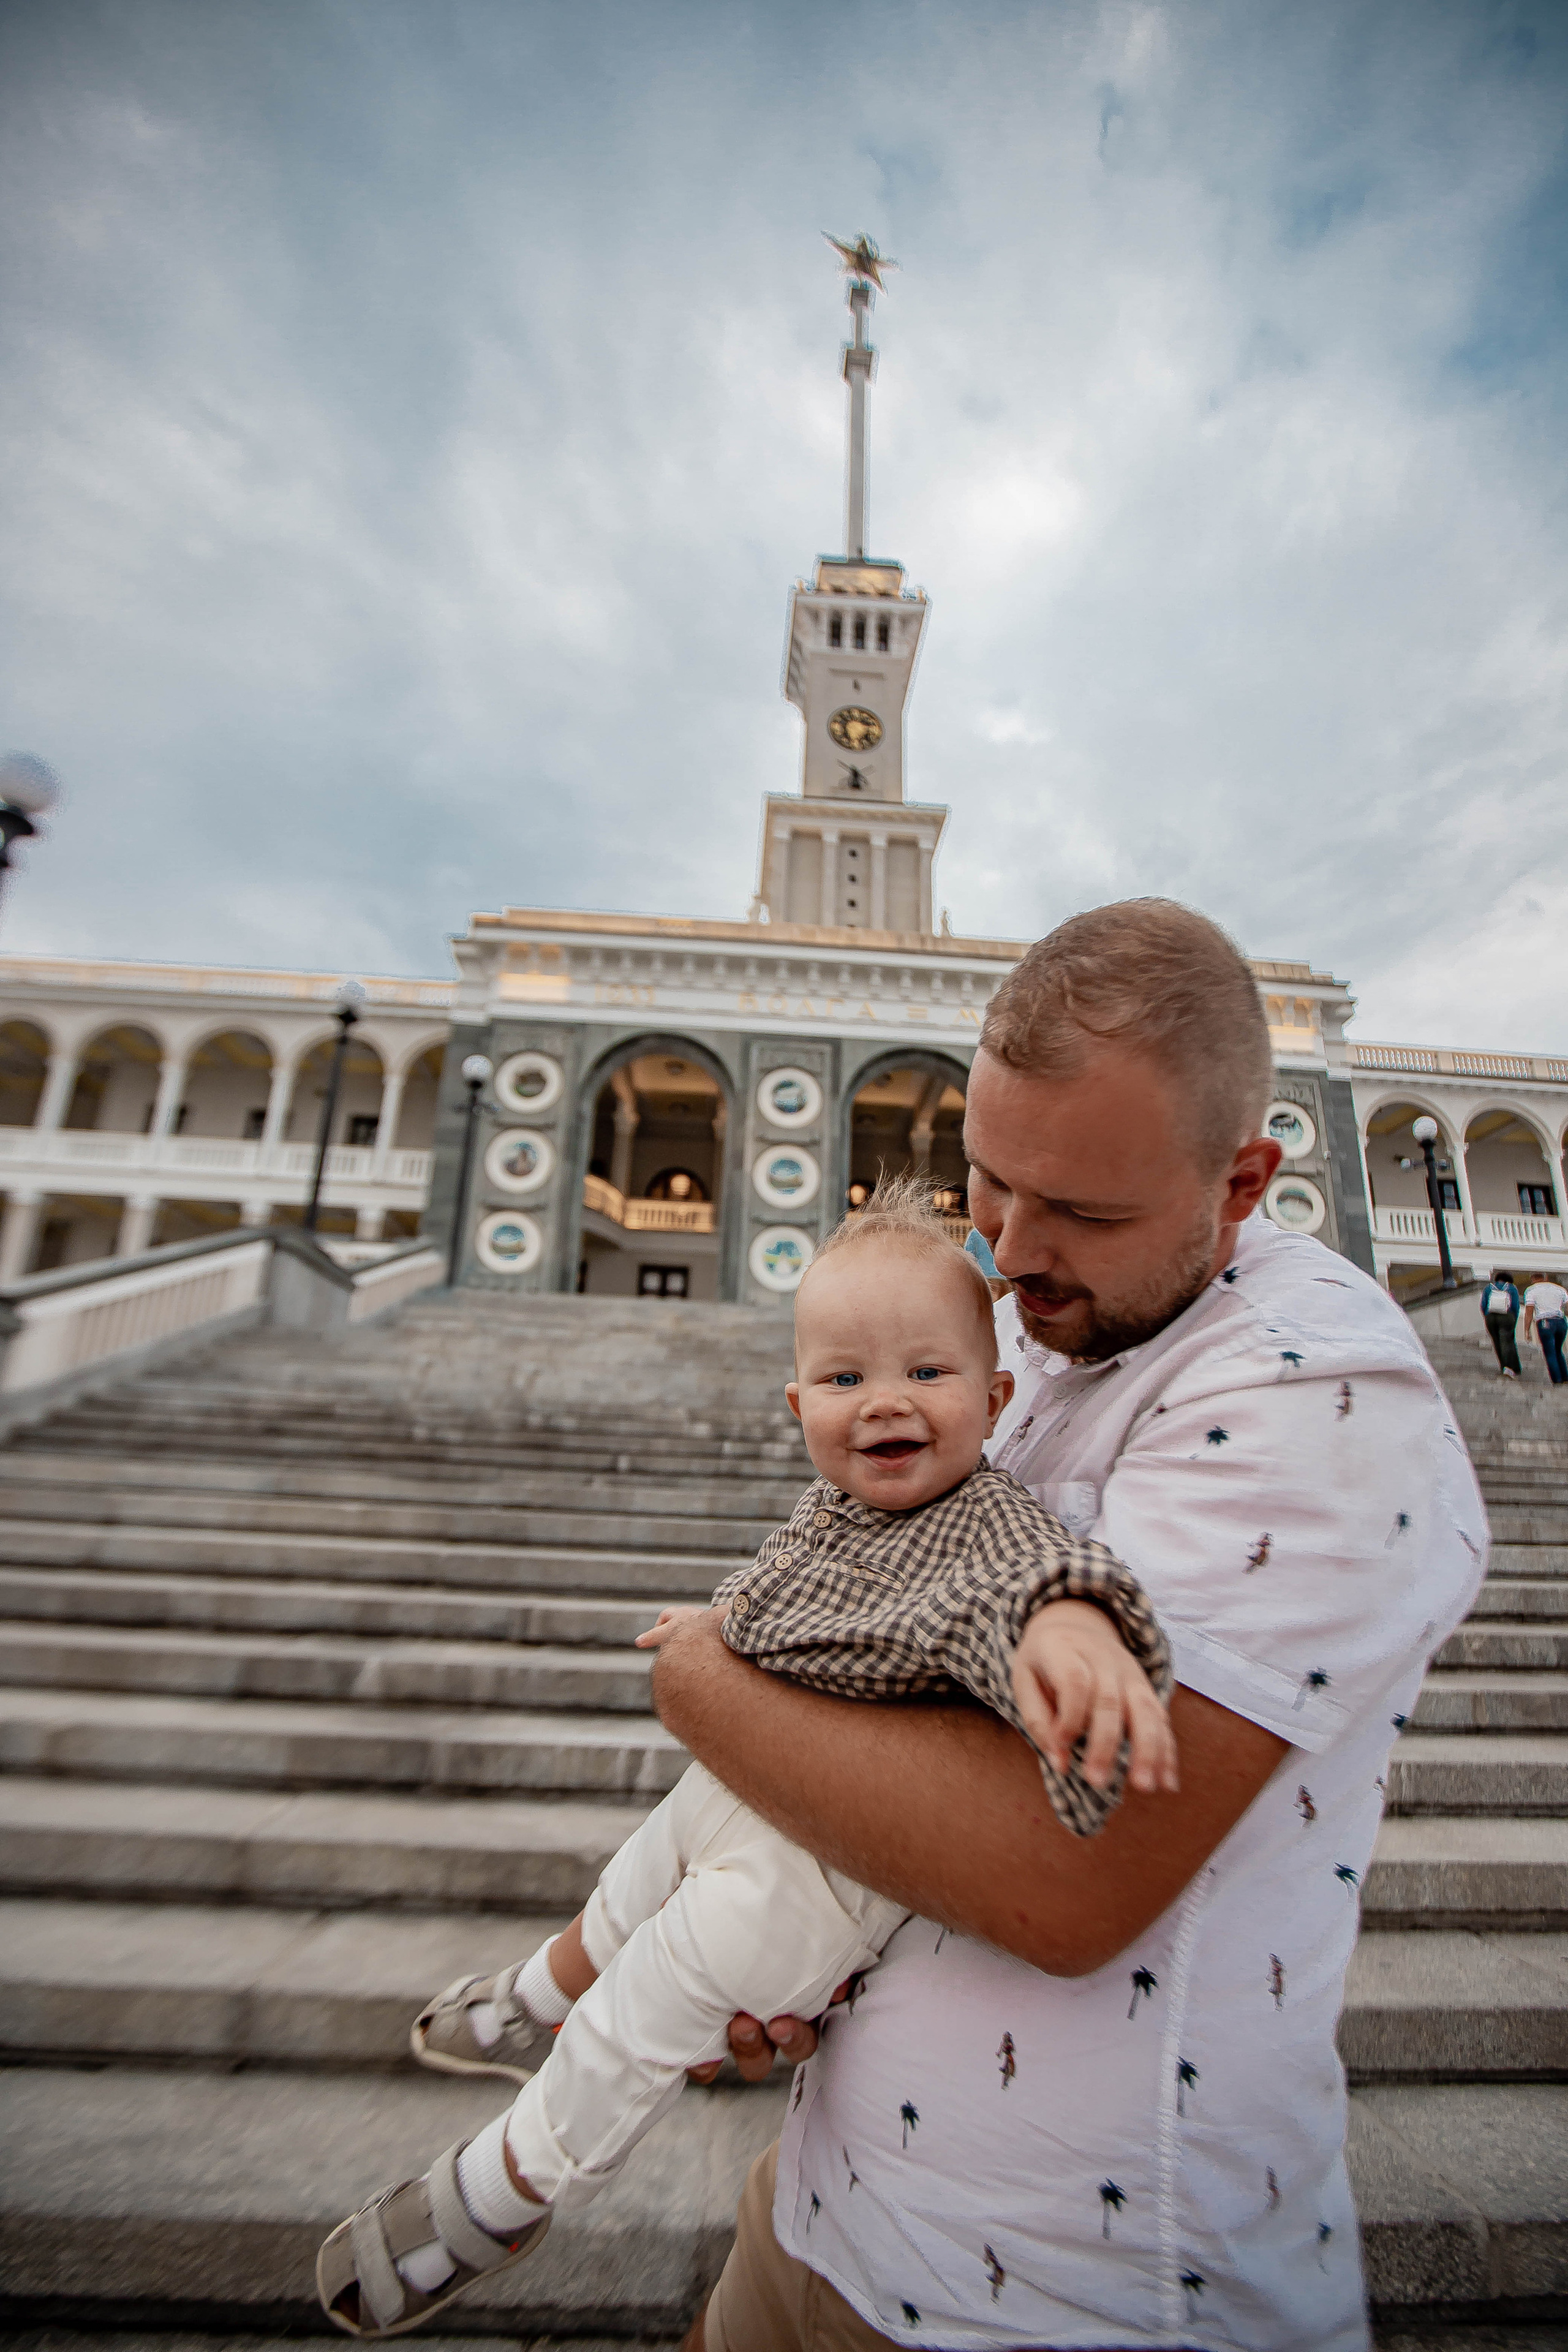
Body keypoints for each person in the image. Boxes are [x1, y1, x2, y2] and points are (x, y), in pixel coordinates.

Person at [651, 899, 1487, 2352]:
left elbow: (1064, 1876)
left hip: (1060, 2286)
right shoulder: (1047, 1329)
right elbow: (898, 1672)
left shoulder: (1312, 1387)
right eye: (987, 1181)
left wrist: (697, 1673)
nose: (1012, 1254)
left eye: (1083, 1214)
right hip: (824, 2203)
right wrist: (791, 1939)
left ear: (1239, 1184)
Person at [316, 1188, 1175, 2341]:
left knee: (663, 1985)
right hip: (753, 1783)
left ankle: (502, 2187)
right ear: (798, 1402)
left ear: (996, 1396)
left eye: (928, 1373)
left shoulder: (986, 1517)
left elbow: (1042, 1583)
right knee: (637, 1872)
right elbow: (771, 1592)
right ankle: (536, 1996)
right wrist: (713, 1623)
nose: (885, 1403)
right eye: (845, 1380)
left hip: (831, 1869)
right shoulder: (828, 1512)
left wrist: (1072, 1639)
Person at [1523, 1273, 1568, 1386]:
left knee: (1550, 1352)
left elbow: (1529, 1311)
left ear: (1532, 1279)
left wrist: (1527, 1330)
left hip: (1545, 1321)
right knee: (1558, 1350)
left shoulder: (1531, 1290)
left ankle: (1557, 1380)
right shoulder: (1559, 1289)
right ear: (1546, 1278)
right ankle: (1565, 1377)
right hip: (1561, 1321)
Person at [1480, 1269, 1522, 1378]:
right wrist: (1513, 1319)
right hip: (1506, 1316)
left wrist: (1487, 1316)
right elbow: (1515, 1306)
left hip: (1491, 1316)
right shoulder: (1511, 1288)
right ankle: (1509, 1367)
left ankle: (1503, 1365)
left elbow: (1483, 1305)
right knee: (1506, 1341)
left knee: (1497, 1341)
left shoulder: (1488, 1288)